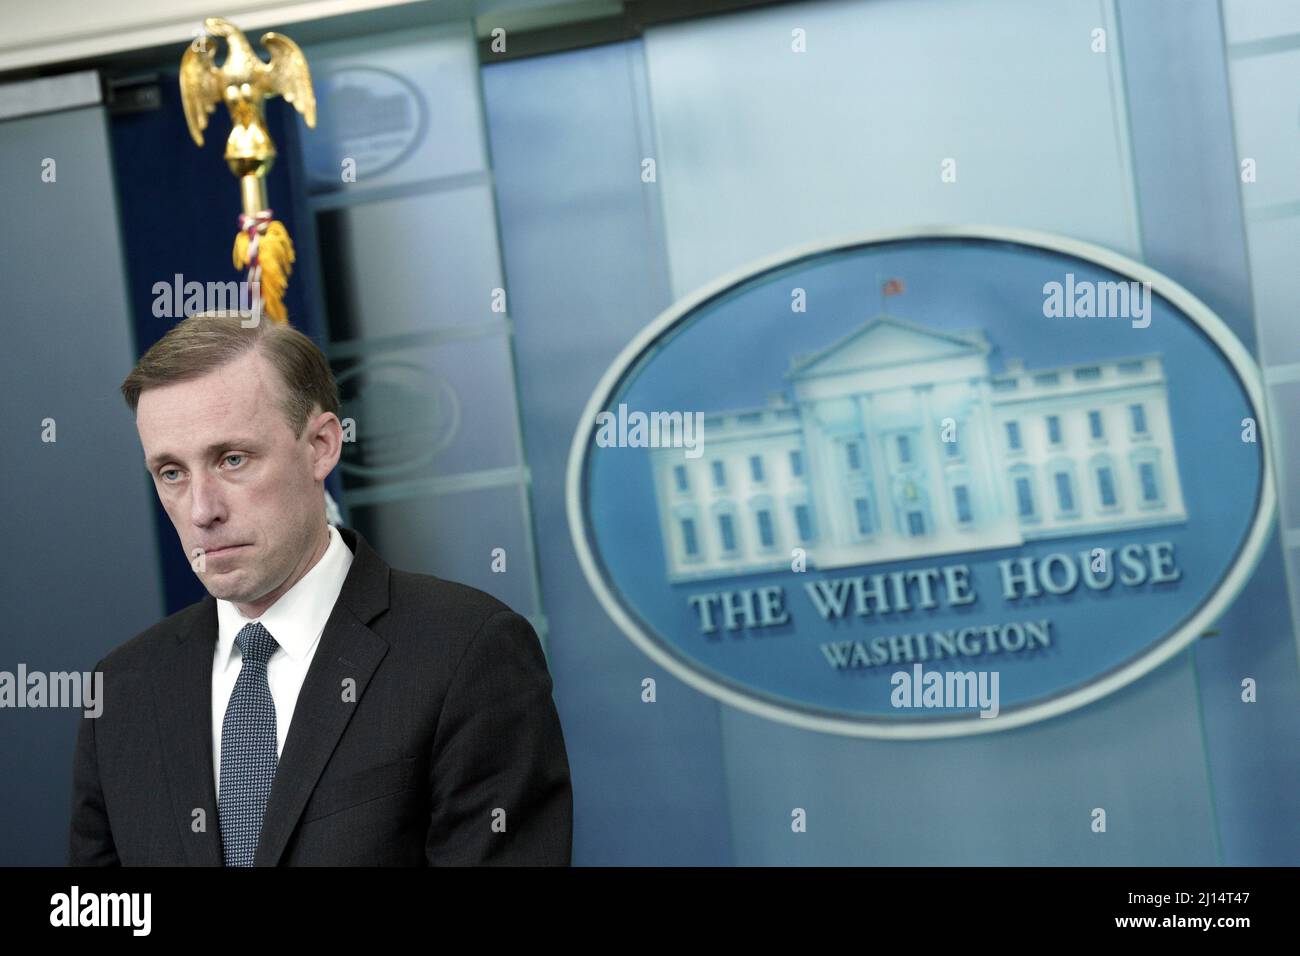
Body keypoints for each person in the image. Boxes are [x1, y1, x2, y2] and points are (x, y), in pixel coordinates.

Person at [68, 312, 571, 865]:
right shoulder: (123, 689)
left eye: (232, 459)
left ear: (322, 446)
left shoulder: (466, 650)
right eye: (172, 473)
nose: (201, 510)